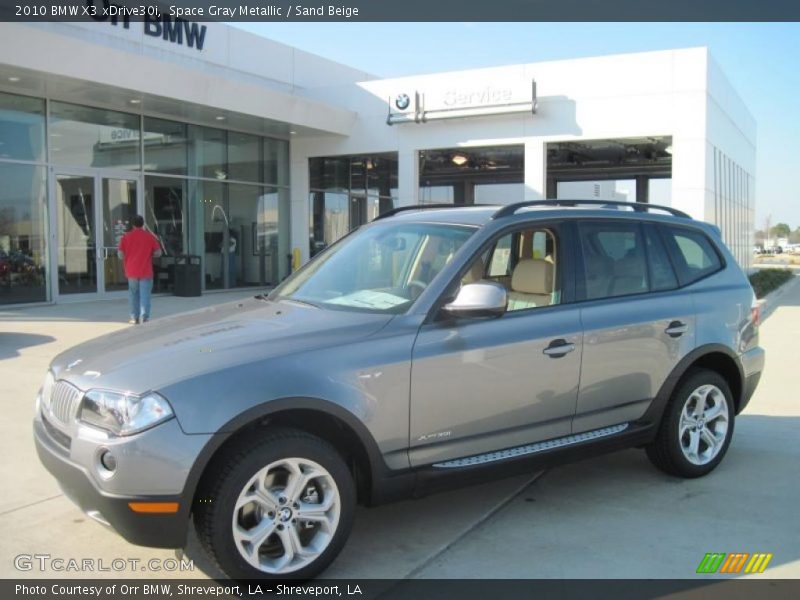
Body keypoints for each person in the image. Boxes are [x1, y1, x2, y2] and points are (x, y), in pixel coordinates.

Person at [118, 215, 162, 324]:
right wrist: (149, 253)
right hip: (146, 271)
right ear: (143, 224)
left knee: (133, 294)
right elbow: (158, 253)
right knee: (145, 295)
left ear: (132, 224)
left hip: (131, 271)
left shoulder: (126, 237)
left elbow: (120, 255)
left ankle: (134, 317)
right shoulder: (149, 236)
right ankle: (145, 317)